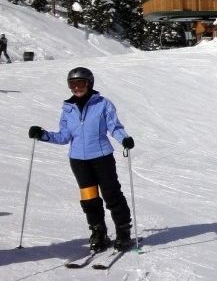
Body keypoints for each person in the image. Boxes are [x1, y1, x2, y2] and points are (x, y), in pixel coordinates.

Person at [28, 67, 136, 252]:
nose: (76, 88)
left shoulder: (102, 104)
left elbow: (115, 127)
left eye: (80, 83)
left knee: (112, 195)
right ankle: (98, 232)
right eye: (72, 84)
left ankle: (123, 232)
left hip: (102, 157)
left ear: (89, 83)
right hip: (78, 161)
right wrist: (43, 135)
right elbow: (64, 136)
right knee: (89, 199)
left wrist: (124, 139)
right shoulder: (68, 108)